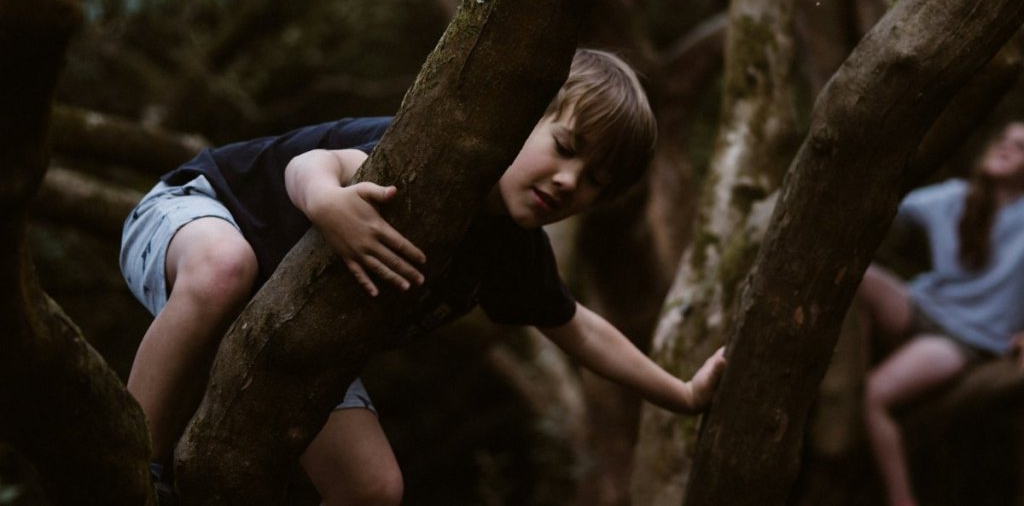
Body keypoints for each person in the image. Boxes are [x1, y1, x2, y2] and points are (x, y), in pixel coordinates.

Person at [120, 48, 727, 505]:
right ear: (520, 118)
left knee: (374, 488)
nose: (571, 181)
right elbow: (317, 163)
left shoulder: (513, 251)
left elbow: (580, 330)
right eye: (565, 146)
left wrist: (683, 395)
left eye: (595, 180)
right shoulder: (434, 157)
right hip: (193, 217)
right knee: (226, 267)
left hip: (289, 329)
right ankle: (124, 463)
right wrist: (328, 203)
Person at [858, 120, 1024, 506]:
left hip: (964, 337)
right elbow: (881, 205)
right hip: (921, 306)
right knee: (856, 275)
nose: (1005, 148)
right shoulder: (954, 197)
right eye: (1002, 139)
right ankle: (835, 376)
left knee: (872, 396)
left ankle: (902, 500)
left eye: (1019, 147)